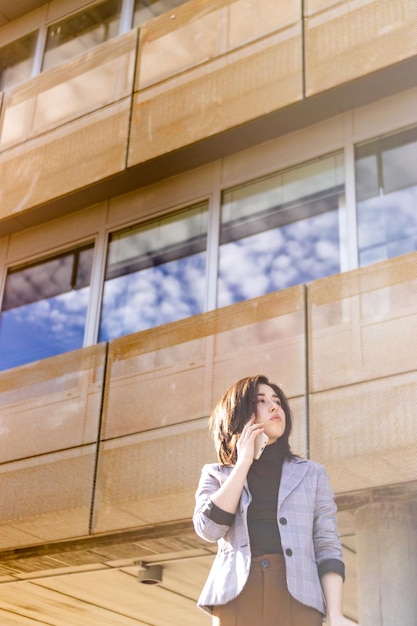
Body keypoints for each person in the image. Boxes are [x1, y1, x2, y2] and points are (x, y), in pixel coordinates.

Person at [193, 374, 358, 626]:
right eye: (261, 401)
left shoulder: (312, 474)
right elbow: (208, 529)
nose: (274, 406)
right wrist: (243, 462)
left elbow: (326, 544)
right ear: (239, 413)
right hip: (236, 595)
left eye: (277, 401)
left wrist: (335, 614)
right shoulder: (217, 474)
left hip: (299, 596)